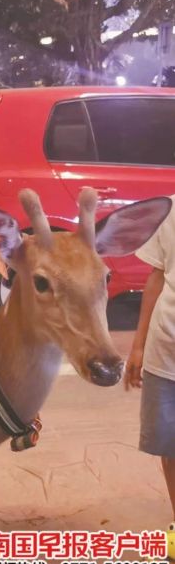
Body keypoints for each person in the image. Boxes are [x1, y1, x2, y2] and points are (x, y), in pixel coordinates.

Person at [124, 196, 175, 527]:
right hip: (166, 351)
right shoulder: (170, 210)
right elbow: (156, 277)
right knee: (169, 447)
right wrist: (139, 346)